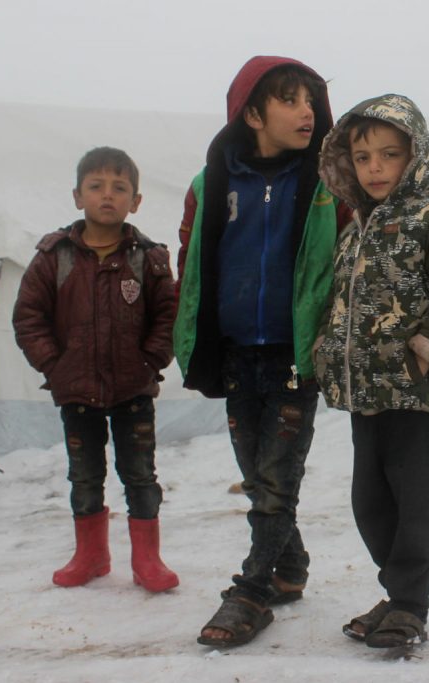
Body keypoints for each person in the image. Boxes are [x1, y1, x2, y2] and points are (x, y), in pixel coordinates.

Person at [173, 56, 350, 648]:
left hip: (297, 355)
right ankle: (291, 565)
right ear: (252, 111)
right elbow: (192, 262)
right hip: (234, 352)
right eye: (290, 99)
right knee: (255, 474)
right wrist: (194, 335)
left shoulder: (329, 185)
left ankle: (251, 591)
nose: (308, 111)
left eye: (311, 101)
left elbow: (350, 263)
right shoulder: (211, 185)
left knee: (277, 480)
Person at [315, 94, 429, 648]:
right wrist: (326, 353)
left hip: (417, 394)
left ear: (413, 157)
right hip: (366, 396)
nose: (374, 167)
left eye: (388, 155)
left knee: (417, 504)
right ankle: (396, 595)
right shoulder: (352, 230)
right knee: (370, 504)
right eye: (363, 156)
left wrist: (428, 350)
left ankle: (411, 603)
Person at [12, 146, 179, 593]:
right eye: (96, 186)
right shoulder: (53, 257)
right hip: (76, 392)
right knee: (84, 475)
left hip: (134, 390)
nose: (108, 195)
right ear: (77, 195)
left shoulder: (149, 259)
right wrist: (55, 364)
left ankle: (148, 560)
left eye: (120, 188)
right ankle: (91, 556)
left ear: (136, 201)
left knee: (140, 475)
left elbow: (170, 315)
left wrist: (151, 360)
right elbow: (28, 317)